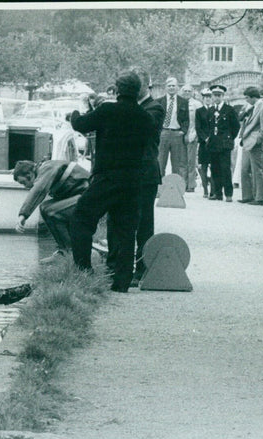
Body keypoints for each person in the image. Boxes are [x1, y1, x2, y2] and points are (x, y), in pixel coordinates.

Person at [69, 70, 153, 292]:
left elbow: (81, 125)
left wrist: (76, 111)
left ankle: (84, 270)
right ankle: (122, 282)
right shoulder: (146, 118)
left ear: (117, 89)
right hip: (133, 181)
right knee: (126, 230)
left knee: (82, 217)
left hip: (107, 178)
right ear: (138, 91)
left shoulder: (107, 110)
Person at [105, 67, 165, 287]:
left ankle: (141, 269)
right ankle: (115, 267)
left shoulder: (155, 108)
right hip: (125, 172)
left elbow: (141, 133)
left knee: (143, 224)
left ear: (145, 87)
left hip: (144, 174)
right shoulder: (134, 107)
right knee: (116, 221)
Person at [13, 159, 90, 262]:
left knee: (52, 211)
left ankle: (70, 252)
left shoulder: (47, 167)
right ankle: (65, 250)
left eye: (23, 182)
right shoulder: (46, 168)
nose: (25, 186)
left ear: (29, 174)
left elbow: (39, 189)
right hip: (82, 196)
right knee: (45, 208)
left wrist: (23, 215)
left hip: (90, 196)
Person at [200, 84, 241, 202]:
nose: (216, 98)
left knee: (225, 168)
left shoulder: (229, 110)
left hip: (224, 144)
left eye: (219, 95)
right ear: (212, 96)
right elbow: (208, 126)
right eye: (214, 95)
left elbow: (236, 126)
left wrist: (229, 138)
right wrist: (209, 138)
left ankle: (228, 194)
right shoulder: (211, 110)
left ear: (223, 96)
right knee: (215, 168)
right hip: (213, 144)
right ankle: (217, 193)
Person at [237, 86, 263, 205]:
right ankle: (248, 195)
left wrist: (258, 140)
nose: (246, 100)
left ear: (252, 97)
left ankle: (260, 198)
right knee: (244, 169)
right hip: (247, 142)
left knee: (257, 170)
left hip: (255, 143)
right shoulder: (252, 107)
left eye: (247, 98)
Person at [157, 77, 189, 182]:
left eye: (173, 86)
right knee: (160, 162)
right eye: (169, 86)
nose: (171, 88)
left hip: (177, 134)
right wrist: (159, 132)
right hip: (163, 133)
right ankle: (158, 187)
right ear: (166, 87)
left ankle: (175, 189)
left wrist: (183, 131)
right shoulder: (159, 101)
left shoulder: (183, 102)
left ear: (177, 87)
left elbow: (186, 119)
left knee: (177, 164)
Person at [180, 84, 202, 192]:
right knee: (182, 161)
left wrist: (196, 134)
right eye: (185, 91)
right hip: (181, 135)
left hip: (192, 134)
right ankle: (183, 183)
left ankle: (191, 184)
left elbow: (200, 122)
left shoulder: (197, 104)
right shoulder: (179, 103)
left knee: (191, 161)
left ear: (192, 92)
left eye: (189, 91)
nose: (187, 93)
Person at [195, 88, 213, 197]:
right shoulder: (199, 111)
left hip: (214, 143)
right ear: (203, 99)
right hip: (203, 143)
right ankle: (205, 190)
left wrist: (213, 139)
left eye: (210, 97)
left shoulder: (215, 110)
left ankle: (213, 190)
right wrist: (205, 138)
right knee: (204, 166)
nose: (208, 99)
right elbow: (198, 127)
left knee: (214, 166)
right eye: (206, 97)